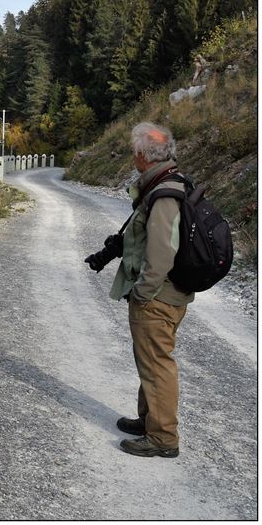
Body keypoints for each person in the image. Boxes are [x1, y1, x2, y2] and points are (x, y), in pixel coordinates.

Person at [106, 122, 192, 458]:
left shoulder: (164, 192)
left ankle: (163, 438)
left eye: (134, 151)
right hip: (167, 294)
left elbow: (160, 252)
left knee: (157, 364)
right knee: (150, 361)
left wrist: (143, 292)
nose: (132, 156)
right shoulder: (167, 183)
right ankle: (149, 420)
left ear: (143, 156)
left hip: (159, 298)